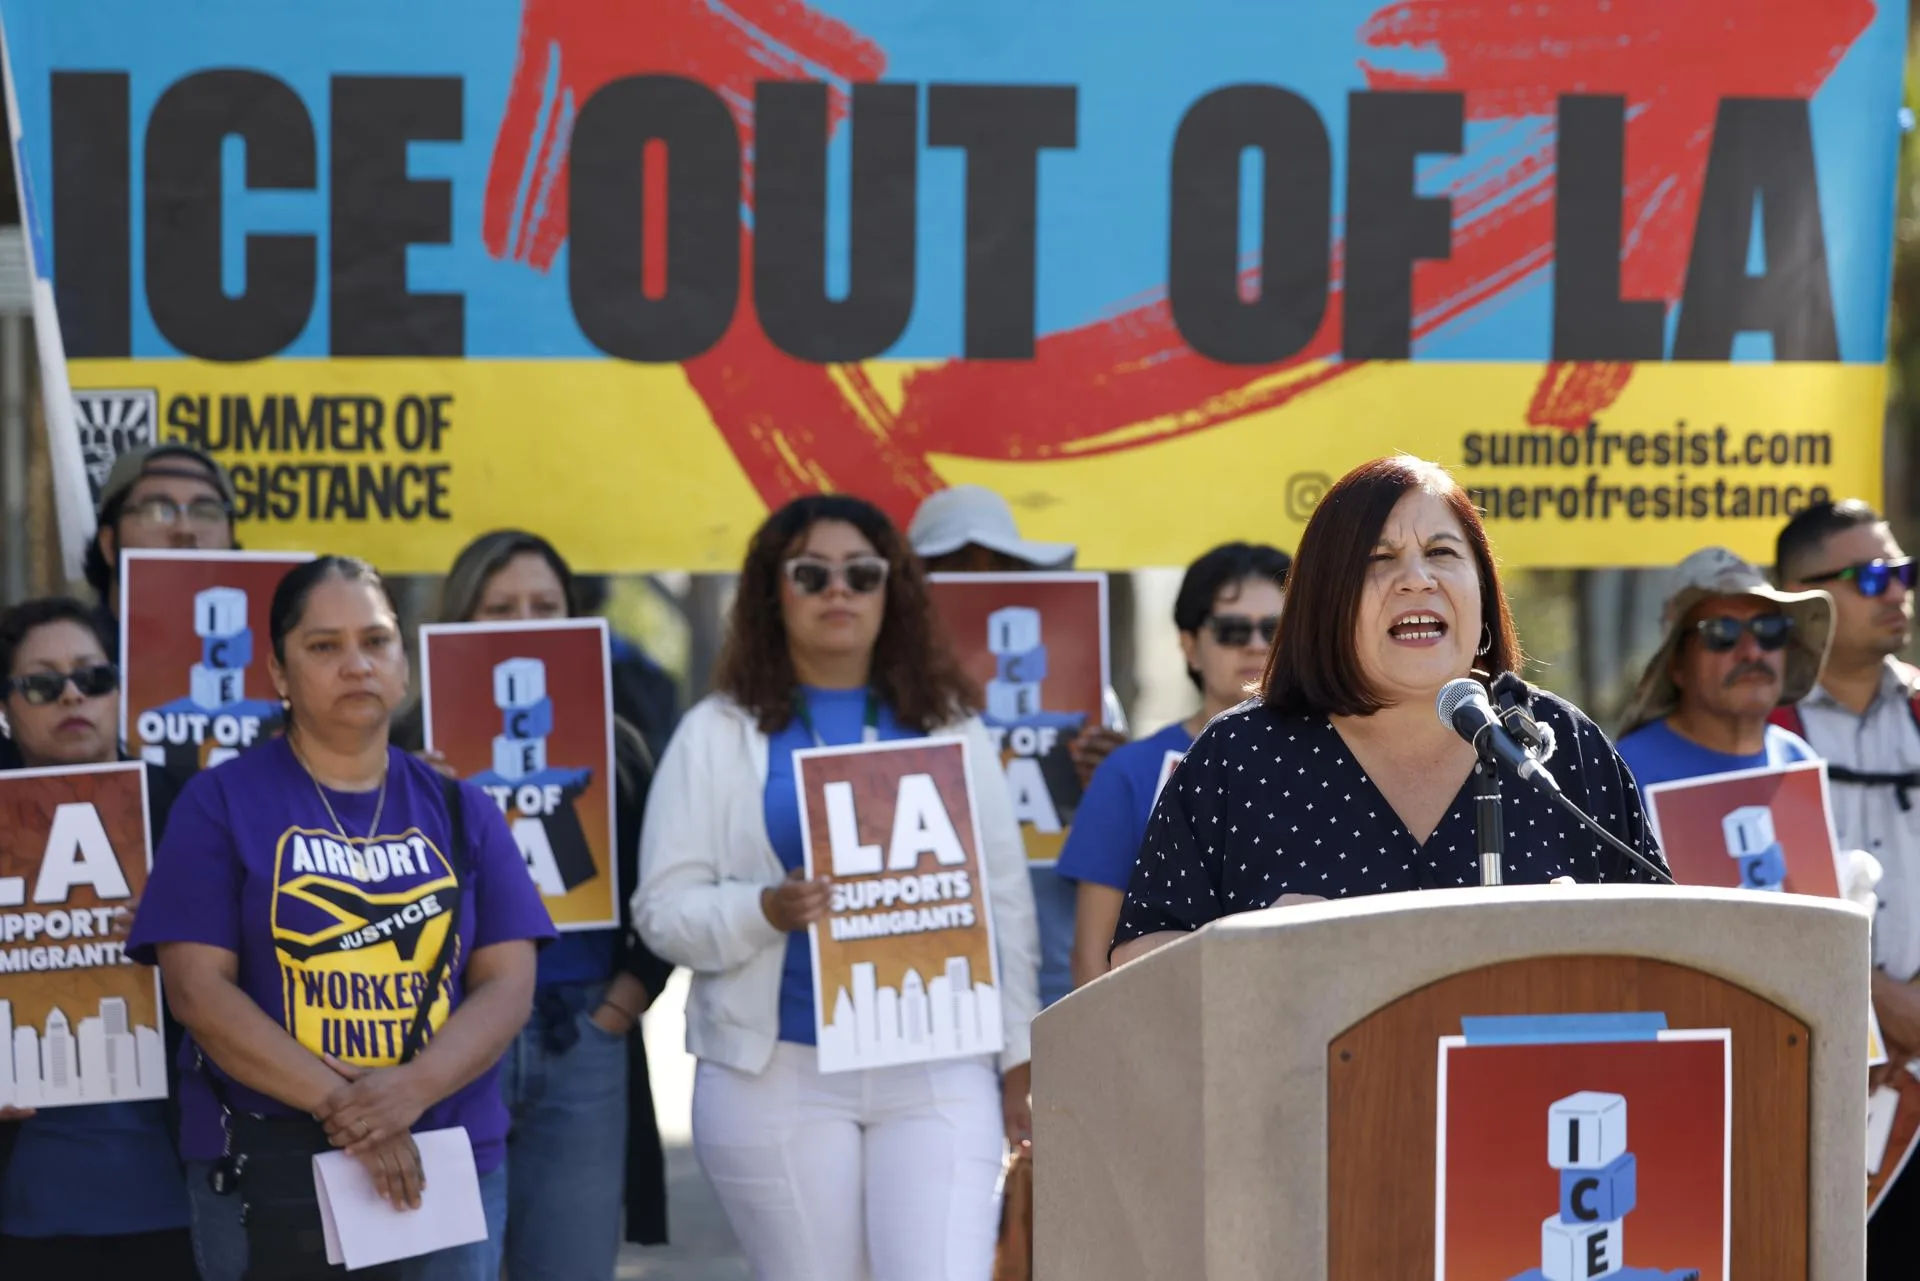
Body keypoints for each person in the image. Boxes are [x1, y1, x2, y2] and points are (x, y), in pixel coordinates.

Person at [634, 494, 1040, 1281]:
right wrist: (765, 907)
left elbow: (1006, 902)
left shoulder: (951, 723)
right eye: (810, 573)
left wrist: (1016, 1058)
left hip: (938, 1063)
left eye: (861, 572)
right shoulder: (715, 733)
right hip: (775, 1070)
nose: (838, 591)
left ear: (894, 588)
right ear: (770, 591)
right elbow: (661, 910)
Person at [126, 556, 556, 1281]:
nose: (356, 663)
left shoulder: (464, 808)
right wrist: (354, 1110)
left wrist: (411, 1090)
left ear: (404, 666)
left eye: (376, 640)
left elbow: (509, 981)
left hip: (445, 1155)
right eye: (324, 646)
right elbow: (198, 990)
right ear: (280, 674)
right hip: (270, 1161)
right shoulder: (218, 802)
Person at [1111, 456, 1668, 968]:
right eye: (1380, 558)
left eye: (1442, 553)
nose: (1417, 578)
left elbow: (1672, 944)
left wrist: (1595, 933)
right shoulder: (1239, 755)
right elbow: (1135, 958)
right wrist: (1248, 947)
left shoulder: (1562, 744)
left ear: (1483, 591)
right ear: (1327, 603)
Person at [430, 529, 678, 1272]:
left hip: (583, 1036)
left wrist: (619, 1007)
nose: (525, 622)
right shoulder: (402, 748)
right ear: (460, 617)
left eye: (545, 604)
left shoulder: (621, 745)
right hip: (450, 1038)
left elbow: (664, 891)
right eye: (500, 606)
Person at [0, 598, 195, 1279]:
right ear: (7, 705)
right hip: (25, 1204)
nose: (73, 693)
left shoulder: (195, 808)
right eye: (42, 683)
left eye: (94, 676)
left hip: (179, 1193)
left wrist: (183, 938)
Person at [1772, 499, 1920, 1278]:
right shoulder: (1757, 732)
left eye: (1901, 571)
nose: (1896, 589)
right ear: (1802, 596)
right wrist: (1872, 996)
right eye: (1870, 575)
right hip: (1813, 1081)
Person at [907, 483, 1126, 1009]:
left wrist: (1114, 781)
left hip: (1055, 979)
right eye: (953, 566)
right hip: (927, 987)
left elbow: (1123, 855)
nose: (980, 580)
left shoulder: (1086, 693)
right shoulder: (877, 698)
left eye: (999, 564)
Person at [1056, 542, 1291, 988]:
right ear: (1188, 646)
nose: (1257, 646)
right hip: (1166, 1036)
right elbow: (1092, 960)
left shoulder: (1345, 753)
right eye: (1233, 630)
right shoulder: (1128, 772)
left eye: (1276, 629)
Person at [1614, 547, 1828, 792]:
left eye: (1769, 628)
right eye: (1722, 632)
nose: (1752, 652)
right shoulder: (1623, 775)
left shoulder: (1798, 760)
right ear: (1677, 665)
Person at [82, 443, 240, 661]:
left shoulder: (271, 661)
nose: (185, 529)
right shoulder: (73, 664)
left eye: (205, 512)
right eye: (156, 511)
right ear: (109, 545)